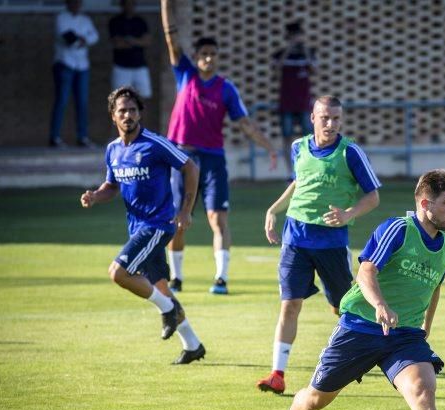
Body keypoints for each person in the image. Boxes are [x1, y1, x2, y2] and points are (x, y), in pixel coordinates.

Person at [272, 169, 445, 410]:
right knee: (315, 399)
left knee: (422, 391)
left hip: (404, 335)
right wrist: (379, 305)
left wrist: (425, 329)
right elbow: (366, 270)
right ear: (425, 203)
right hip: (360, 326)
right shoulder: (398, 230)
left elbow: (434, 289)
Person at [256, 95, 382, 395]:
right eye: (325, 117)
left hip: (331, 243)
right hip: (295, 238)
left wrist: (348, 214)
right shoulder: (298, 147)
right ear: (312, 117)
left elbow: (373, 196)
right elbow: (299, 183)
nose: (330, 124)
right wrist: (273, 210)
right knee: (290, 304)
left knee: (343, 308)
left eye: (336, 118)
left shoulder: (350, 152)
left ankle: (373, 351)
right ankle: (277, 373)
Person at [80, 86, 206, 365]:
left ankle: (168, 310)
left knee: (118, 273)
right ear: (113, 116)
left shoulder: (154, 143)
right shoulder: (113, 150)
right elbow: (111, 186)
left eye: (132, 110)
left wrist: (185, 209)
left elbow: (191, 167)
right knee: (161, 286)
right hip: (137, 227)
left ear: (140, 114)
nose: (128, 115)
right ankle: (192, 344)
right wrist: (95, 196)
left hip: (159, 224)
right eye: (122, 111)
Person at [161, 0, 277, 295]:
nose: (208, 59)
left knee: (218, 218)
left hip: (212, 160)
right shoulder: (184, 74)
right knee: (178, 218)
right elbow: (171, 37)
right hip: (182, 157)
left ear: (218, 58)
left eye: (213, 55)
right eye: (203, 55)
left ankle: (221, 279)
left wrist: (269, 147)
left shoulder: (226, 88)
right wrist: (165, 5)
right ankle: (176, 278)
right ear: (196, 58)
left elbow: (245, 123)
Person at [49, 0, 98, 148]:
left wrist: (84, 39)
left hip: (82, 66)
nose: (76, 4)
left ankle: (82, 137)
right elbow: (68, 37)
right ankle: (54, 137)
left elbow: (94, 36)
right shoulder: (61, 18)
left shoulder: (85, 19)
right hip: (65, 63)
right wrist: (82, 39)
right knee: (62, 101)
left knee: (82, 102)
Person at [272, 21, 317, 176]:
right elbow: (276, 70)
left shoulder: (309, 52)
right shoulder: (280, 54)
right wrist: (288, 49)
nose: (297, 39)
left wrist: (305, 52)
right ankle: (290, 172)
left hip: (304, 103)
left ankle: (309, 168)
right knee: (287, 137)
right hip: (286, 103)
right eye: (293, 36)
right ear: (288, 37)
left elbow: (314, 70)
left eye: (299, 35)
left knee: (309, 137)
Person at [109, 0, 152, 98]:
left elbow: (147, 41)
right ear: (122, 5)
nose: (129, 7)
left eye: (131, 4)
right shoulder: (115, 21)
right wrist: (138, 42)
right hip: (121, 66)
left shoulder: (140, 21)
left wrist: (130, 40)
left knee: (143, 97)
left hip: (140, 66)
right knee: (120, 98)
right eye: (126, 4)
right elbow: (117, 44)